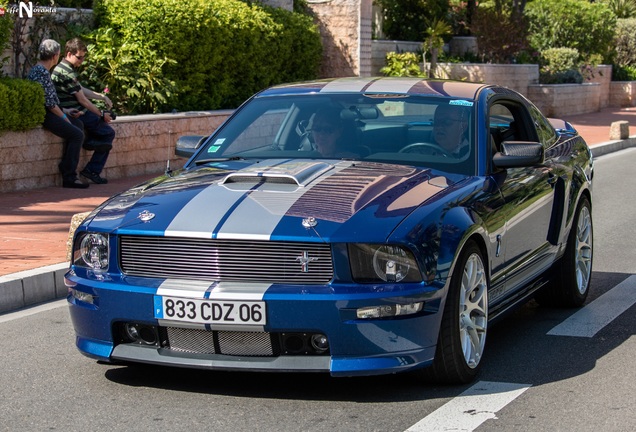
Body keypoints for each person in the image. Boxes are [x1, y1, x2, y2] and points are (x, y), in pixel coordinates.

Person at [52, 37, 115, 184]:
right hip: (77, 112)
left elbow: (81, 90)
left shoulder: (63, 68)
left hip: (75, 110)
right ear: (68, 54)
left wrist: (101, 97)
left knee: (102, 129)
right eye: (79, 58)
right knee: (108, 133)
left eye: (83, 58)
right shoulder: (67, 72)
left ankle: (92, 142)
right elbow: (82, 100)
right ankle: (92, 169)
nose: (81, 61)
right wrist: (101, 114)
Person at [27, 39, 88, 189]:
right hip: (47, 115)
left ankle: (68, 166)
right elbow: (50, 105)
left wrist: (66, 111)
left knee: (78, 124)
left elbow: (51, 100)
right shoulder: (41, 72)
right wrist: (64, 117)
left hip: (51, 111)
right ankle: (69, 176)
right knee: (77, 134)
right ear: (55, 56)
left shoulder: (40, 69)